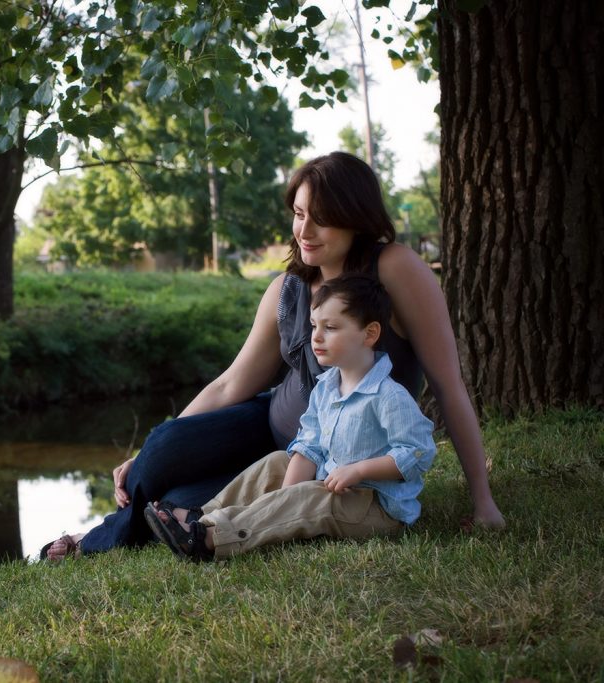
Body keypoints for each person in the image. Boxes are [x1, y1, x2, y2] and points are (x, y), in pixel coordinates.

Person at [40, 151, 504, 562]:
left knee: (181, 499)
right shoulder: (288, 288)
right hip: (271, 428)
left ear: (356, 218)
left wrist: (483, 502)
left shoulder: (394, 268)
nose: (304, 230)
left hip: (336, 452)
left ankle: (92, 540)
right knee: (162, 448)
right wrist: (143, 455)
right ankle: (125, 519)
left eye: (321, 218)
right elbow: (231, 383)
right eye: (299, 214)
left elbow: (447, 383)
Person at [144, 273, 437, 560]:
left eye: (331, 327)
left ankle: (210, 539)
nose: (316, 337)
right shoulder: (326, 388)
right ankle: (203, 515)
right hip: (332, 484)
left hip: (375, 506)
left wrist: (359, 470)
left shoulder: (388, 396)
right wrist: (283, 498)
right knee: (278, 462)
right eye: (313, 326)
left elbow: (418, 452)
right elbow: (309, 445)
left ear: (369, 333)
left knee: (314, 498)